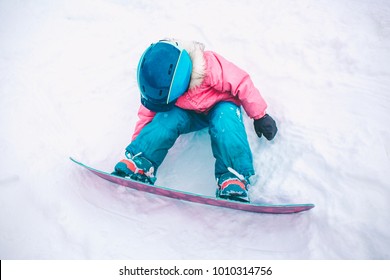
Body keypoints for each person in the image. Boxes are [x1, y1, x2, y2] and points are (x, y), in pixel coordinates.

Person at [112, 39, 277, 202]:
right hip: (187, 113)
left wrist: (260, 115)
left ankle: (234, 176)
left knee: (226, 123)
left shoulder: (209, 66)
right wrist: (141, 144)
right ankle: (141, 162)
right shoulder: (160, 91)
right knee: (166, 118)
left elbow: (241, 83)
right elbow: (149, 116)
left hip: (220, 105)